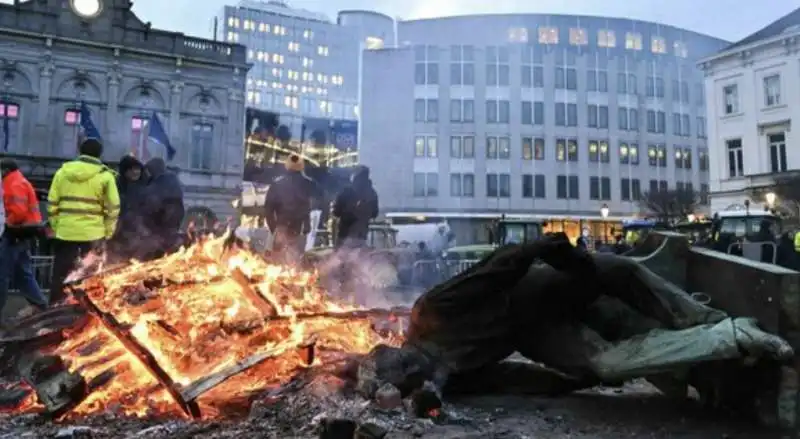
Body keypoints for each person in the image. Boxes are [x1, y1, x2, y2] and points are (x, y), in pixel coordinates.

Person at [360, 235, 792, 403]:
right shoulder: (442, 378)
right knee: (608, 363)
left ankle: (713, 321)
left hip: (547, 285)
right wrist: (575, 380)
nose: (420, 375)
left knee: (624, 276)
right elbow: (511, 378)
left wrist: (572, 260)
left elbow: (508, 259)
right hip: (536, 330)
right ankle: (729, 338)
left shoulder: (430, 310)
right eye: (412, 381)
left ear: (404, 349)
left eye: (410, 368)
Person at [48, 138, 120, 304]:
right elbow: (113, 207)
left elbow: (52, 203)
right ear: (100, 154)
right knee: (91, 276)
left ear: (80, 151)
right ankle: (87, 312)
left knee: (61, 274)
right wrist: (108, 231)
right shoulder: (105, 176)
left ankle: (55, 308)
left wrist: (57, 225)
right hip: (93, 234)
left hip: (66, 233)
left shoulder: (62, 173)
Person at [0, 159, 48, 319]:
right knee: (22, 273)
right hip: (23, 234)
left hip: (14, 233)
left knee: (2, 274)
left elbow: (18, 212)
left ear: (5, 170)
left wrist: (7, 224)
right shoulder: (19, 180)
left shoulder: (11, 183)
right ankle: (40, 305)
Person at [263, 154, 316, 263]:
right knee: (295, 259)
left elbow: (268, 208)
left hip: (281, 225)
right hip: (299, 227)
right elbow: (309, 205)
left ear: (286, 166)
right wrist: (307, 225)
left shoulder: (277, 183)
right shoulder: (308, 183)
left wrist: (273, 227)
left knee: (278, 260)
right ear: (302, 166)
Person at [139, 158, 185, 260]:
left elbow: (152, 204)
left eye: (150, 171)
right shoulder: (172, 180)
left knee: (158, 254)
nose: (148, 173)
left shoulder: (160, 183)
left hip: (162, 226)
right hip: (171, 225)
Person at [108, 155, 147, 261]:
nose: (136, 172)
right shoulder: (115, 186)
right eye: (132, 169)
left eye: (138, 169)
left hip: (138, 236)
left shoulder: (144, 186)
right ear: (125, 171)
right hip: (118, 234)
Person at [333, 166, 378, 248]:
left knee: (339, 259)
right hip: (362, 235)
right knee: (358, 259)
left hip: (345, 234)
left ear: (355, 175)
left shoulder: (347, 191)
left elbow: (336, 212)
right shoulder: (372, 193)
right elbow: (375, 213)